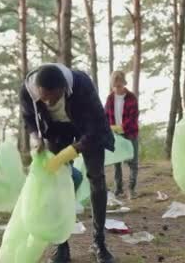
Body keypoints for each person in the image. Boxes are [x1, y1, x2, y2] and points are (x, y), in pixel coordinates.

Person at [20, 63, 116, 263]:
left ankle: (99, 242)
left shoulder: (82, 86)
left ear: (64, 89)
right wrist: (36, 138)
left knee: (96, 179)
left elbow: (97, 127)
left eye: (52, 98)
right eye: (43, 97)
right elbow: (28, 117)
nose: (47, 103)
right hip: (56, 130)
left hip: (87, 128)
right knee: (55, 184)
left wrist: (73, 151)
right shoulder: (28, 91)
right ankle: (61, 244)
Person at [104, 70, 140, 199]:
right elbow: (106, 116)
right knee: (117, 162)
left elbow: (133, 117)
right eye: (115, 86)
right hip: (115, 134)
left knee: (133, 162)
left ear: (123, 83)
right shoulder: (110, 98)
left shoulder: (131, 98)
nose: (117, 88)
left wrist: (122, 128)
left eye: (119, 85)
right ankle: (118, 188)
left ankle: (131, 189)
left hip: (130, 133)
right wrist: (109, 129)